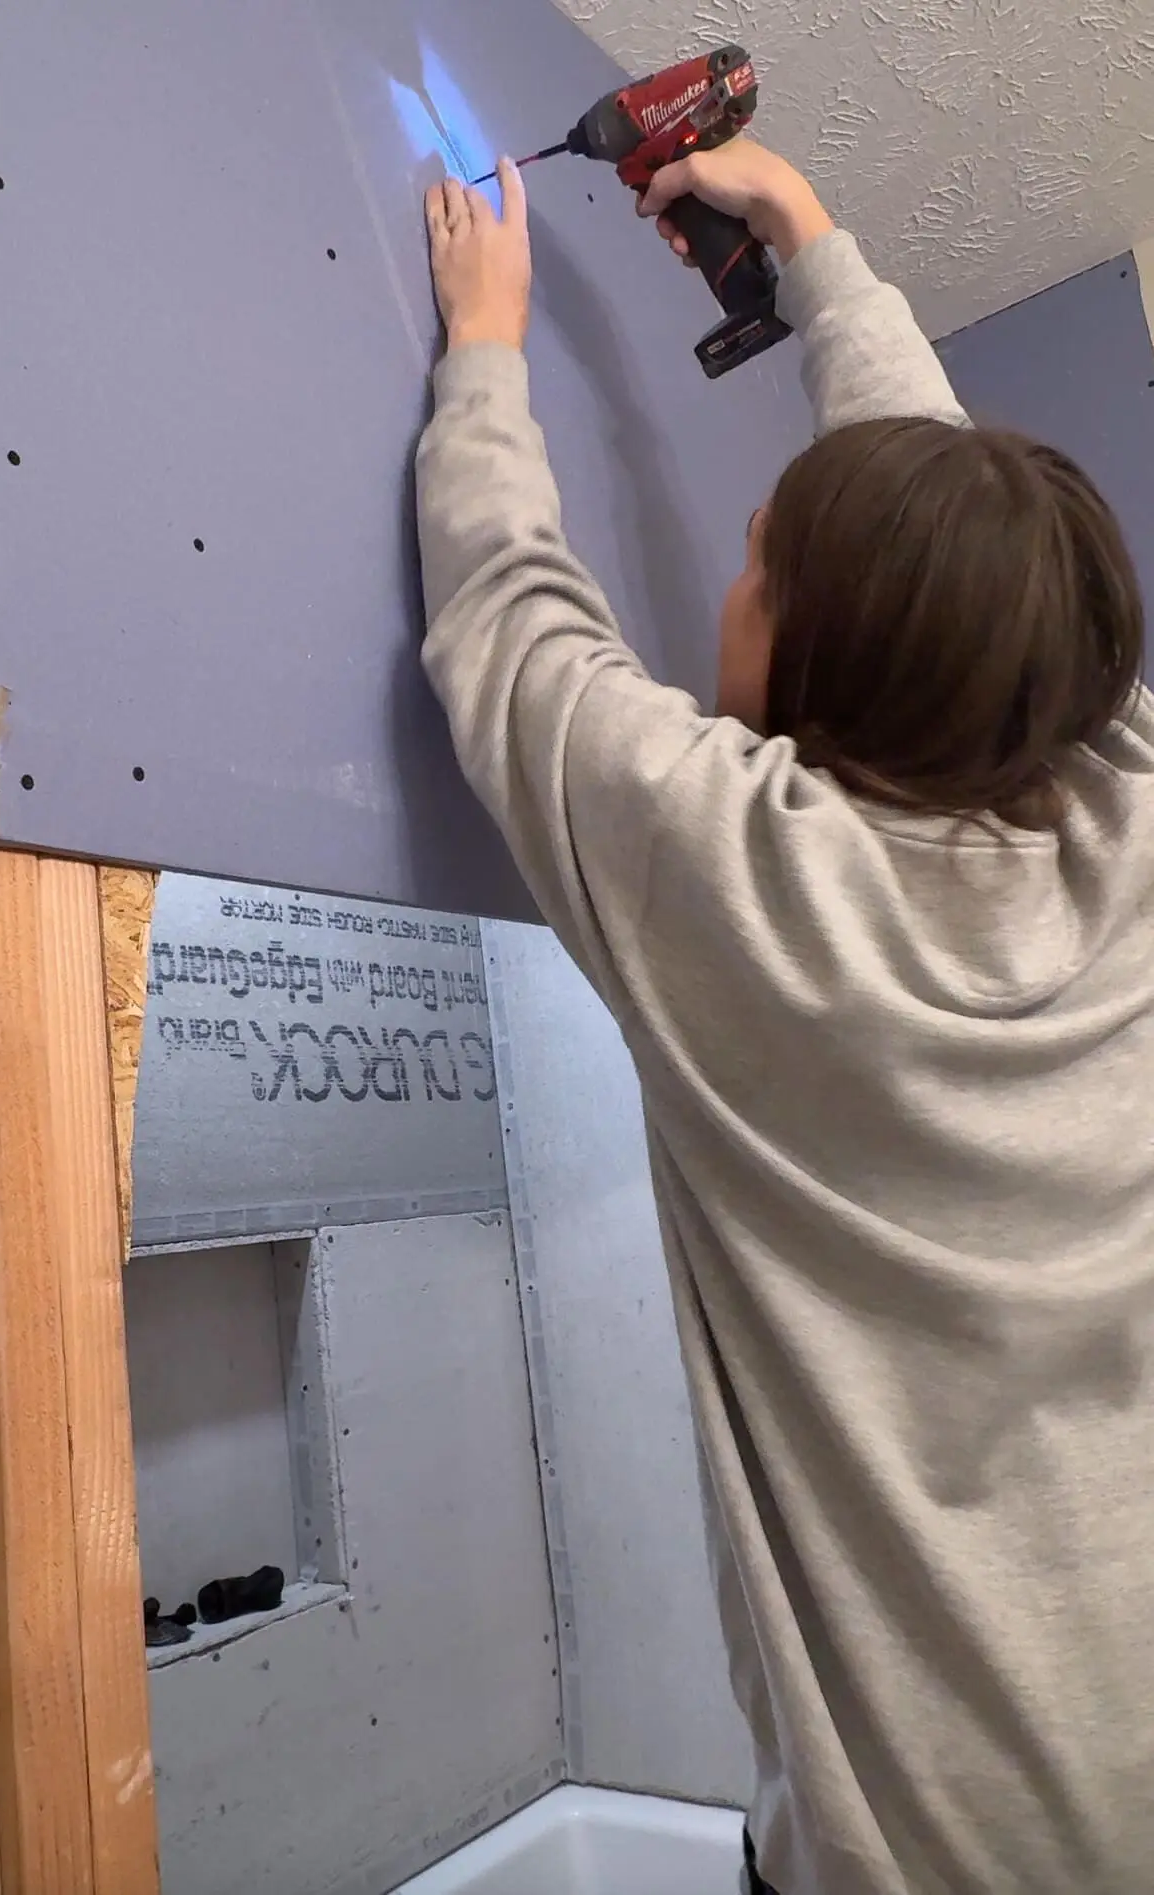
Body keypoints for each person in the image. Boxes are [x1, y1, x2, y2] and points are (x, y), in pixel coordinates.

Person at [418, 138, 1154, 1895]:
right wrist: (815, 246)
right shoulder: (1125, 831)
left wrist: (482, 342)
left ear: (814, 657)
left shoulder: (743, 878)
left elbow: (512, 620)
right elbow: (995, 587)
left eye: (757, 567)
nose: (731, 585)